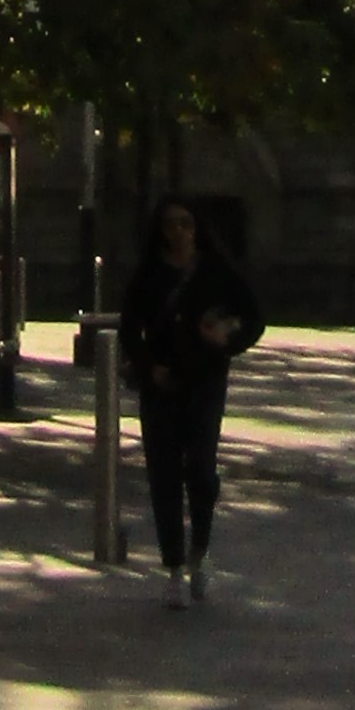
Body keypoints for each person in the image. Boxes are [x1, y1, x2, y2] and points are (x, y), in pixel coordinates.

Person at [118, 198, 264, 603]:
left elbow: (254, 316)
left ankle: (200, 550)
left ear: (197, 228)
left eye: (185, 224)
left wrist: (227, 340)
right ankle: (173, 567)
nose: (178, 232)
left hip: (205, 380)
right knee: (163, 475)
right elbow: (130, 328)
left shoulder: (215, 271)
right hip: (161, 385)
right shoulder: (149, 274)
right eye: (170, 225)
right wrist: (149, 368)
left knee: (201, 470)